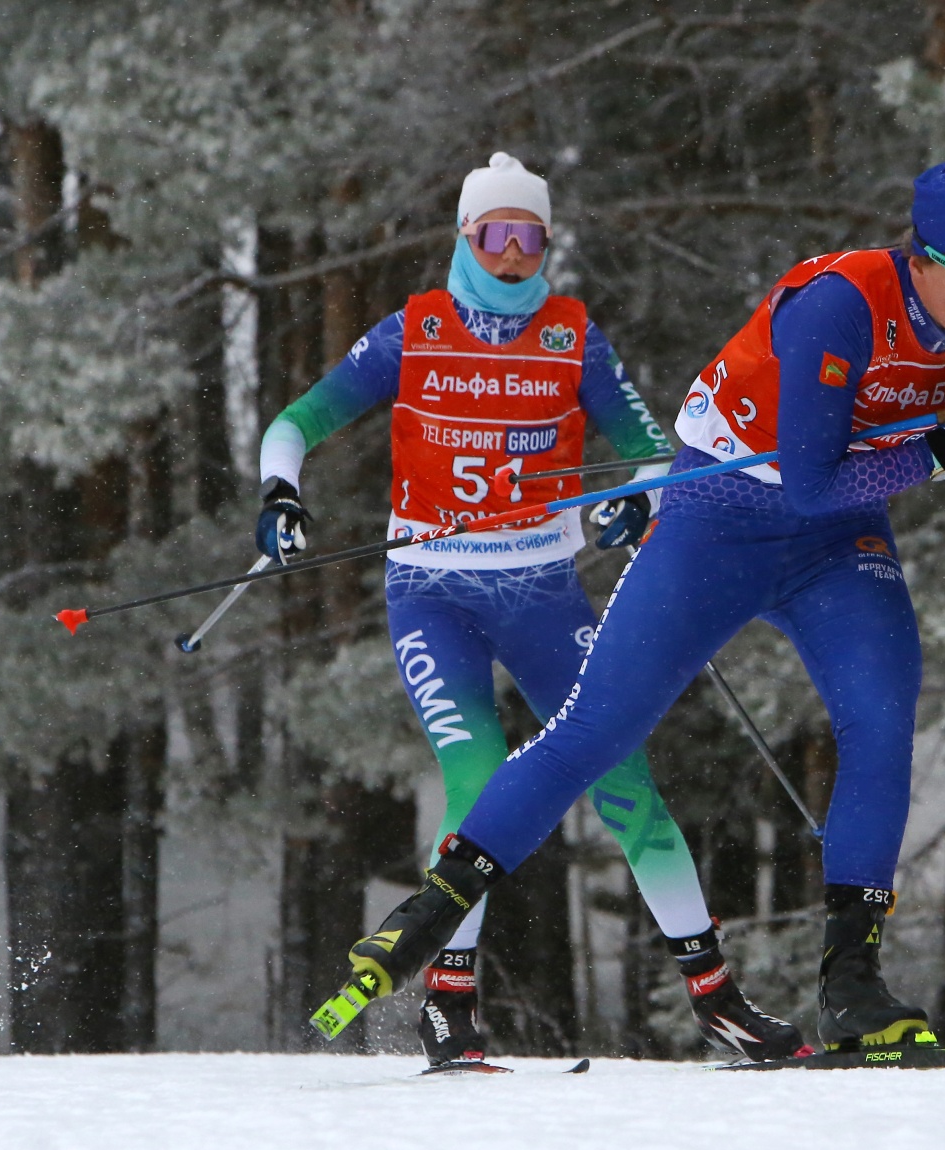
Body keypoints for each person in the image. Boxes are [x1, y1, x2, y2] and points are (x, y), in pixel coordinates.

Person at [338, 157, 945, 1053]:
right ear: (925, 260)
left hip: (836, 540)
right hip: (723, 518)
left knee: (881, 719)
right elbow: (810, 477)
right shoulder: (839, 305)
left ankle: (854, 990)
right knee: (597, 729)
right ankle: (430, 914)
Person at [260, 152, 802, 1066]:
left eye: (530, 236)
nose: (512, 254)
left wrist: (637, 498)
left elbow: (654, 454)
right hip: (433, 593)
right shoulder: (415, 330)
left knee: (628, 785)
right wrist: (281, 492)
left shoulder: (572, 336)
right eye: (494, 235)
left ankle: (718, 1000)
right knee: (475, 781)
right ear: (465, 239)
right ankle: (450, 1008)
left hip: (544, 592)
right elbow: (295, 422)